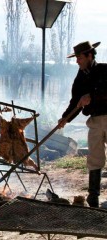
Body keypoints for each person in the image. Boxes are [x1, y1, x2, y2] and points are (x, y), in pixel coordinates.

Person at [58, 41, 107, 208]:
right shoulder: (80, 78)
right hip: (95, 120)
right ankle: (93, 196)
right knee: (95, 157)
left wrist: (92, 96)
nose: (77, 61)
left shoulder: (104, 70)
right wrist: (65, 118)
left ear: (89, 55)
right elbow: (76, 102)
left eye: (79, 57)